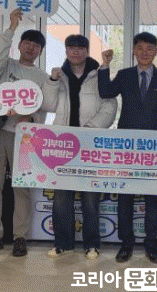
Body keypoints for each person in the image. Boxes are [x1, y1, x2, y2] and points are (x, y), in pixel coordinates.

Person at [98, 32, 157, 264]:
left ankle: (152, 244)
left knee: (152, 199)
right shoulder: (125, 75)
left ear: (156, 51)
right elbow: (105, 92)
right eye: (140, 48)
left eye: (149, 49)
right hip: (127, 147)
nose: (144, 53)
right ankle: (126, 244)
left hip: (154, 149)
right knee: (125, 197)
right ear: (133, 51)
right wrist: (105, 65)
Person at [41, 34, 117, 260]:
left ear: (86, 51)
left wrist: (91, 129)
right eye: (71, 48)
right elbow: (48, 105)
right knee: (61, 199)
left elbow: (110, 105)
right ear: (66, 51)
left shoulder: (98, 74)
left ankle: (92, 244)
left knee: (90, 199)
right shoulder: (59, 75)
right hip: (62, 146)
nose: (75, 52)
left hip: (89, 144)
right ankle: (62, 243)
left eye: (80, 48)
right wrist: (52, 81)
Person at [0, 9, 49, 257]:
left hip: (25, 137)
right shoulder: (5, 67)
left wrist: (32, 117)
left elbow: (44, 107)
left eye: (36, 45)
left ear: (40, 51)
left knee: (22, 187)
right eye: (27, 43)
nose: (31, 47)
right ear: (20, 45)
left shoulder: (41, 77)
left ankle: (20, 236)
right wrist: (11, 27)